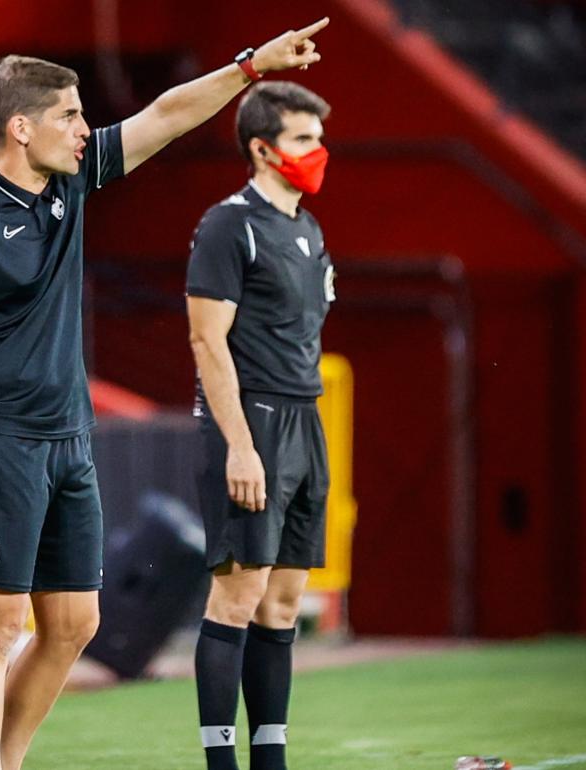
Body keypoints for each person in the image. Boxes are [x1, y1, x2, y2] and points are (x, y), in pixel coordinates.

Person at [0, 19, 329, 770]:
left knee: (74, 625)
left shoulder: (70, 177)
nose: (84, 128)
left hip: (68, 436)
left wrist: (249, 67)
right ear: (21, 127)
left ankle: (10, 760)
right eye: (69, 115)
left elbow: (164, 115)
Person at [185, 80, 335, 770]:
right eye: (303, 139)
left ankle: (269, 761)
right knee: (238, 593)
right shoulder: (228, 224)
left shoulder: (307, 227)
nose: (317, 151)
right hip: (256, 421)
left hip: (306, 418)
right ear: (262, 148)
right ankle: (221, 763)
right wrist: (239, 445)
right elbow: (207, 342)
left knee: (284, 601)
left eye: (316, 137)